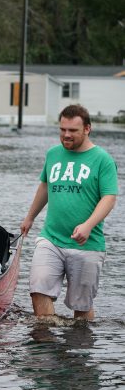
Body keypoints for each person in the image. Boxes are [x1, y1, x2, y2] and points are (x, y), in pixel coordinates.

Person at [20, 104, 118, 321]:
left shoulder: (102, 160)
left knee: (81, 309)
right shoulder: (53, 154)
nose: (66, 135)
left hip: (87, 244)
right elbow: (45, 186)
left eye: (72, 130)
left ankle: (75, 350)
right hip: (51, 238)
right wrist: (30, 217)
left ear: (87, 129)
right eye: (62, 129)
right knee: (39, 289)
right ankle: (46, 347)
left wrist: (88, 225)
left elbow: (109, 198)